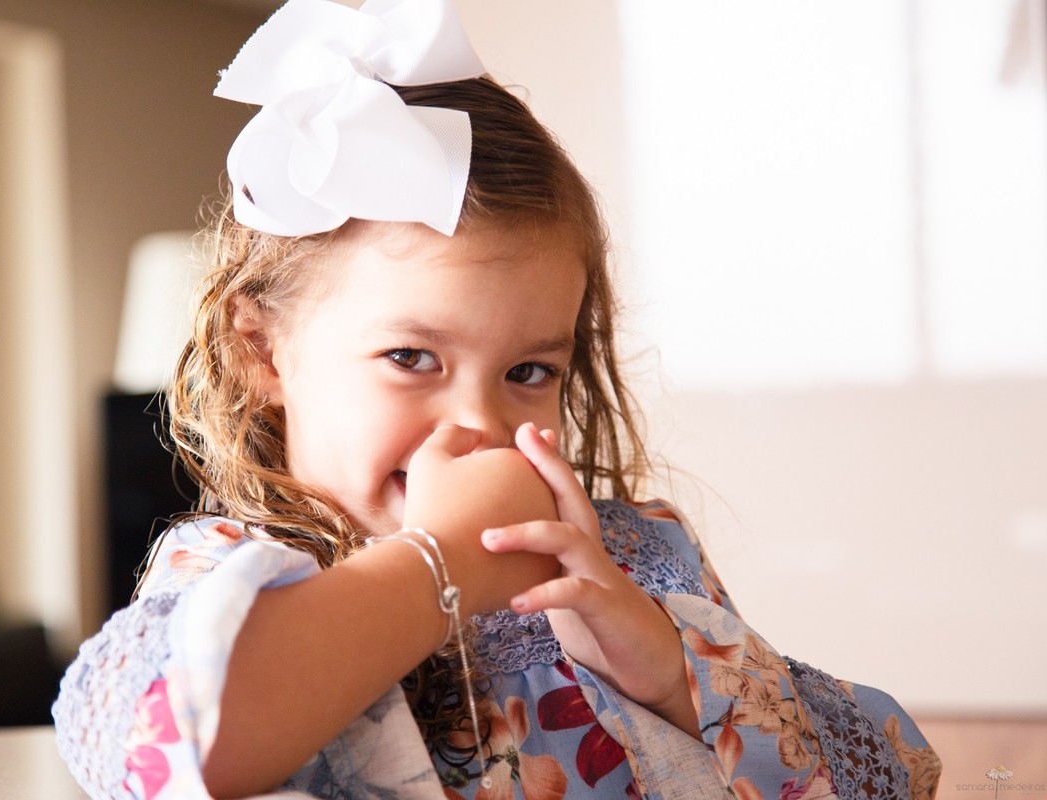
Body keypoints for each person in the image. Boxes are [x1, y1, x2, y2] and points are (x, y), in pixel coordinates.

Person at [53, 1, 942, 798]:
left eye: (529, 372)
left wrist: (669, 670)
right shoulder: (230, 574)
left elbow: (894, 773)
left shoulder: (636, 561)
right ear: (262, 351)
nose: (477, 426)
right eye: (411, 357)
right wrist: (437, 563)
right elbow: (166, 746)